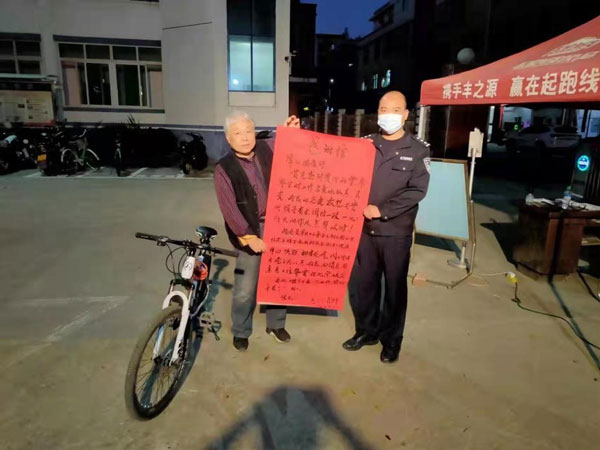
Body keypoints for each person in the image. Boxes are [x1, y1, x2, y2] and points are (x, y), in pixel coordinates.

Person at [343, 91, 431, 364]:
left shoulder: (418, 150)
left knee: (394, 289)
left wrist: (382, 210)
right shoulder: (366, 144)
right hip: (364, 231)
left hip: (395, 232)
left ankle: (392, 340)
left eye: (394, 110)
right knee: (365, 285)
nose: (387, 115)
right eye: (383, 109)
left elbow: (417, 191)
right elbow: (335, 162)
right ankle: (367, 331)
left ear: (405, 115)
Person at [214, 111, 300, 351]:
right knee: (245, 287)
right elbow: (229, 209)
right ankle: (241, 331)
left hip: (279, 224)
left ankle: (276, 324)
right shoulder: (224, 168)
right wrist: (249, 237)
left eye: (248, 131)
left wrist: (290, 130)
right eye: (237, 133)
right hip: (249, 229)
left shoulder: (265, 148)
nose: (244, 137)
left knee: (278, 280)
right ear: (228, 138)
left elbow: (286, 141)